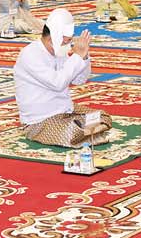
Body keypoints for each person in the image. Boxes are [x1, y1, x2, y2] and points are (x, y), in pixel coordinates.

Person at [13, 9, 109, 147]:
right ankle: (81, 131)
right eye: (66, 41)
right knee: (72, 132)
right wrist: (77, 57)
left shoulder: (59, 51)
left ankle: (82, 131)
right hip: (40, 121)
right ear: (55, 38)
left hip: (66, 111)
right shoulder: (31, 54)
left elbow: (79, 80)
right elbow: (58, 83)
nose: (68, 45)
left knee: (102, 117)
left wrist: (84, 57)